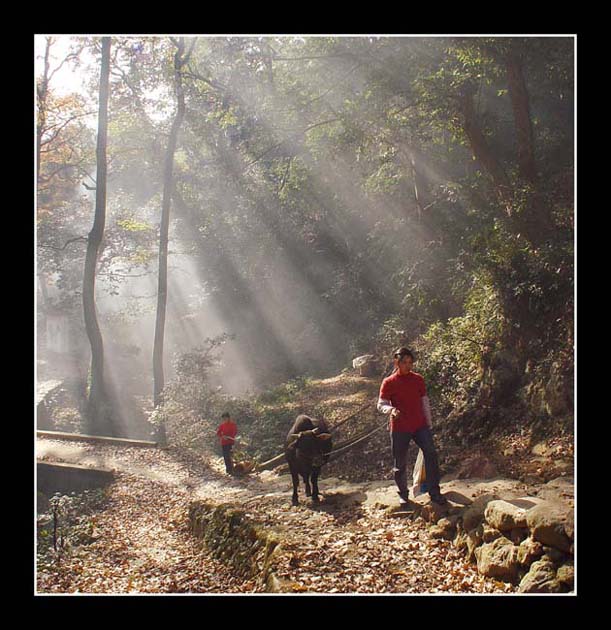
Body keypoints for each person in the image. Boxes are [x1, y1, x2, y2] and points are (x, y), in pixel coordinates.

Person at [377, 347, 448, 506]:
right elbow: (381, 403)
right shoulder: (389, 382)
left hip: (419, 425)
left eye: (410, 362)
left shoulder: (418, 379)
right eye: (404, 362)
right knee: (400, 463)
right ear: (397, 362)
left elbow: (424, 402)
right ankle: (403, 494)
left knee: (431, 453)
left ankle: (434, 492)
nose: (408, 366)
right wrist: (391, 410)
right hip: (400, 427)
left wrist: (429, 423)